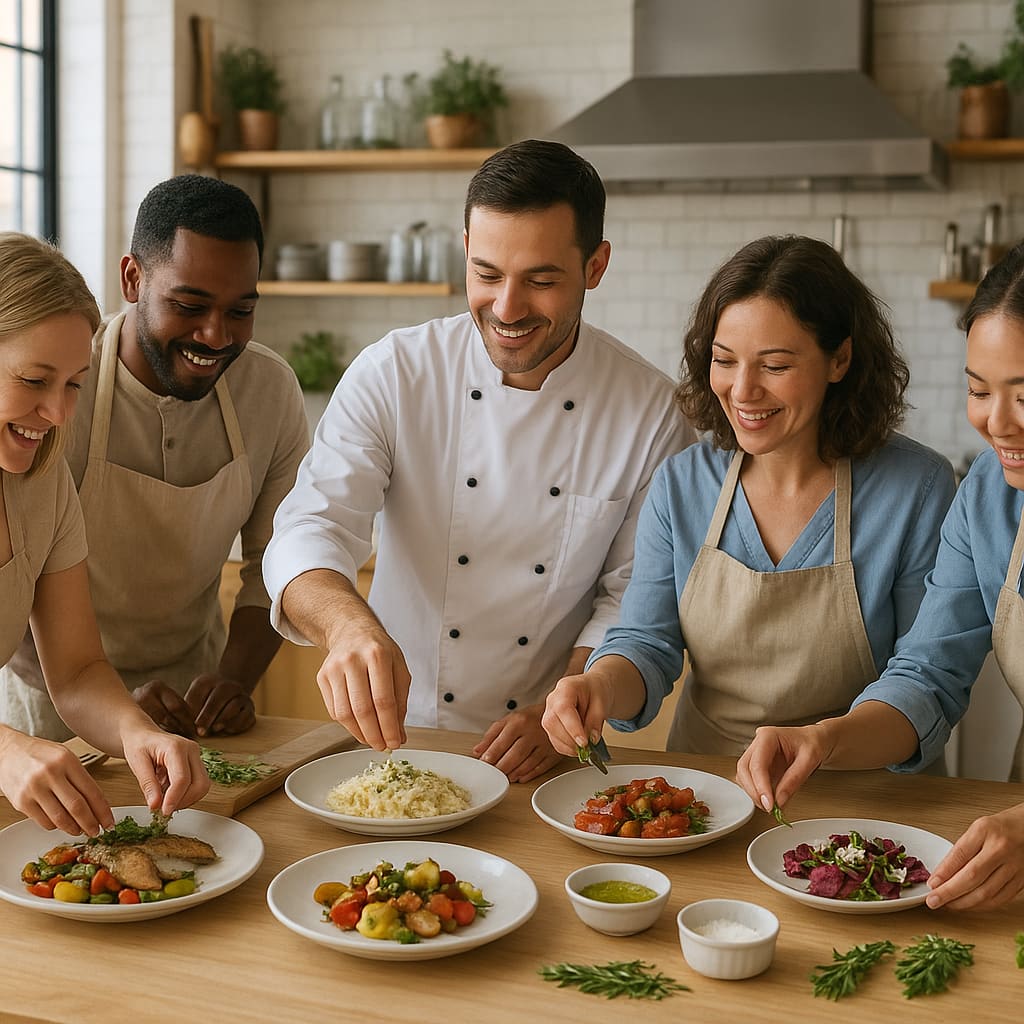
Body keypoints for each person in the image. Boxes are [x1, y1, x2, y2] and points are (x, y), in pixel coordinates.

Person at [263, 139, 693, 782]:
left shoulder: (650, 410)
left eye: (541, 280)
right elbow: (309, 527)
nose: (508, 308)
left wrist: (565, 709)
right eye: (487, 274)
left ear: (596, 266)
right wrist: (348, 627)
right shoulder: (396, 372)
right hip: (394, 745)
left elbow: (630, 598)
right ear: (465, 249)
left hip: (546, 759)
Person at [542, 235, 956, 763]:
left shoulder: (915, 489)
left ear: (840, 359)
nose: (742, 390)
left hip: (870, 802)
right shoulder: (683, 484)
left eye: (775, 366)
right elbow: (647, 644)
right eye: (725, 360)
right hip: (710, 796)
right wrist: (598, 684)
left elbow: (922, 677)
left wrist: (823, 743)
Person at [736, 238, 1024, 912]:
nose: (998, 422)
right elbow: (928, 672)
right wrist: (826, 736)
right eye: (979, 391)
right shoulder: (990, 494)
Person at [0, 176, 309, 742]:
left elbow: (279, 562)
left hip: (187, 710)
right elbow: (37, 623)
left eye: (240, 311)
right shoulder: (53, 404)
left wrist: (230, 681)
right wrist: (25, 747)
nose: (215, 335)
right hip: (45, 716)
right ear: (133, 279)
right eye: (189, 305)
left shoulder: (270, 391)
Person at [0, 231, 209, 835]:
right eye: (35, 381)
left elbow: (77, 670)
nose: (60, 413)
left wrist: (137, 734)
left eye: (73, 383)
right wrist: (6, 750)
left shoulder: (42, 484)